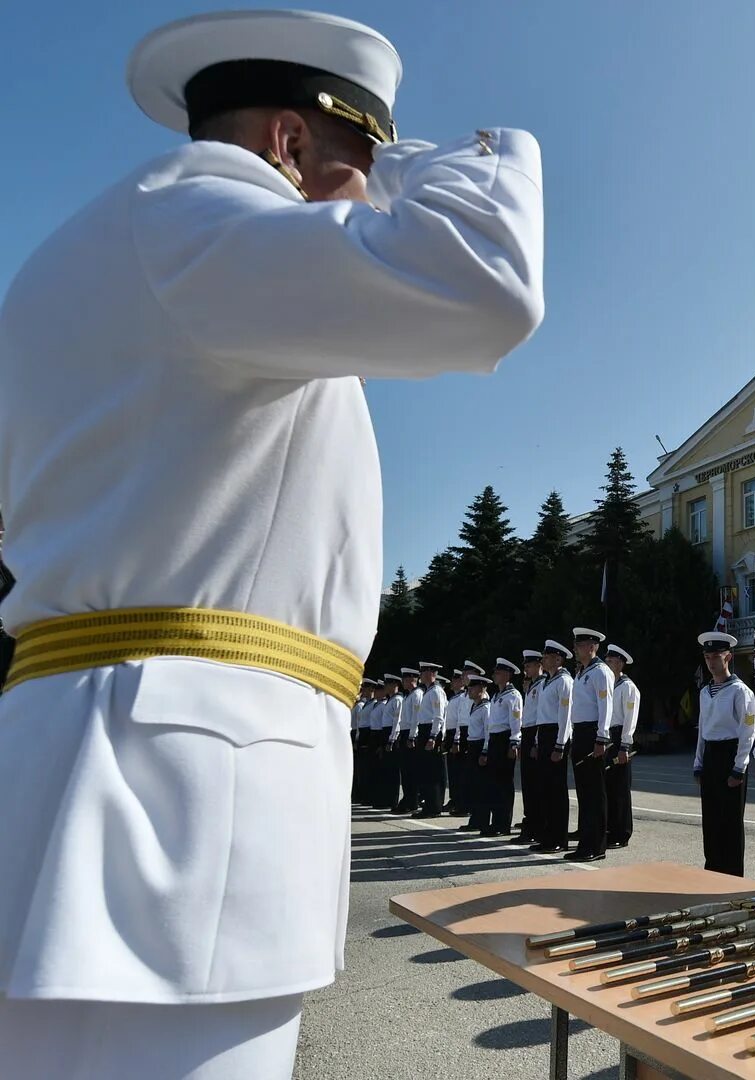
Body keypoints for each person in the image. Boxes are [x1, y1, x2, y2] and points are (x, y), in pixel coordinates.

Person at [0, 8, 544, 1073]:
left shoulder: (81, 260)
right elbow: (486, 281)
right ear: (291, 144)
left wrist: (360, 171)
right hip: (177, 793)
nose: (369, 192)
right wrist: (444, 162)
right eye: (361, 161)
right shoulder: (195, 219)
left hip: (100, 758)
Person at [694, 632, 755, 876]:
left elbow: (747, 731)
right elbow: (702, 730)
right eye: (707, 657)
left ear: (728, 657)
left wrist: (739, 767)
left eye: (716, 657)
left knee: (730, 820)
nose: (711, 662)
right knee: (711, 819)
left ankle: (732, 873)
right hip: (711, 754)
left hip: (730, 754)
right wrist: (698, 762)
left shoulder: (740, 691)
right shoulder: (705, 692)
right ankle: (713, 869)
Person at [568, 628, 615, 862]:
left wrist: (601, 738)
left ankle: (596, 846)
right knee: (584, 793)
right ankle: (585, 843)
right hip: (580, 732)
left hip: (592, 733)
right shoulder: (581, 672)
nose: (575, 649)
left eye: (580, 645)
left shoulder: (600, 672)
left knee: (595, 793)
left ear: (592, 647)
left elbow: (605, 706)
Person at [528, 640, 575, 854]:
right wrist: (538, 741)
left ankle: (558, 838)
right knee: (545, 788)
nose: (543, 660)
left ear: (558, 659)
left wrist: (560, 744)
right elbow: (541, 715)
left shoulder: (564, 681)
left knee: (556, 790)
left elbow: (565, 716)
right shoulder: (548, 680)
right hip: (545, 734)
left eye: (547, 657)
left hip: (556, 734)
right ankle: (548, 835)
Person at [604, 644, 642, 849]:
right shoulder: (610, 685)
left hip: (619, 737)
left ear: (620, 663)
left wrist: (625, 745)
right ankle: (610, 829)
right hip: (608, 736)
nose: (607, 665)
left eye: (610, 661)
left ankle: (622, 833)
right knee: (609, 787)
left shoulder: (628, 687)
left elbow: (630, 719)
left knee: (620, 789)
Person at [482, 658, 523, 837]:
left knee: (504, 783)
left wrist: (514, 742)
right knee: (494, 783)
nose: (494, 675)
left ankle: (503, 823)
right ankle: (495, 821)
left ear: (507, 675)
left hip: (505, 739)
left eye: (498, 673)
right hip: (494, 739)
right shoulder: (497, 695)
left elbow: (516, 721)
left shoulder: (512, 695)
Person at [516, 650, 546, 843]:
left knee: (536, 784)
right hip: (527, 733)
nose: (526, 669)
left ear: (539, 665)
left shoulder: (543, 684)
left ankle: (536, 824)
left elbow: (540, 715)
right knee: (527, 782)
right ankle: (530, 821)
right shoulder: (532, 686)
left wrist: (535, 741)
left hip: (536, 732)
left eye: (529, 665)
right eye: (525, 666)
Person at [413, 661, 449, 817]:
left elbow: (438, 716)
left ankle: (433, 807)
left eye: (423, 672)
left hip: (431, 732)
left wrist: (433, 736)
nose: (420, 675)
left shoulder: (436, 691)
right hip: (424, 730)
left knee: (432, 771)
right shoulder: (428, 691)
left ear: (431, 673)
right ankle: (430, 804)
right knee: (425, 771)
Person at [460, 674, 494, 833]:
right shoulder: (475, 705)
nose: (469, 691)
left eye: (472, 688)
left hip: (480, 745)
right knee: (473, 784)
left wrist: (485, 751)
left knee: (482, 786)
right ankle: (475, 818)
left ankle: (482, 819)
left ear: (481, 689)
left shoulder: (486, 707)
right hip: (472, 745)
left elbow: (488, 731)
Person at [393, 666, 423, 813]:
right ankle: (407, 798)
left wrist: (412, 736)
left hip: (411, 734)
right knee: (405, 770)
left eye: (405, 679)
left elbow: (416, 718)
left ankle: (412, 801)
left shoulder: (417, 694)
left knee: (411, 771)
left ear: (413, 679)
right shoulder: (408, 695)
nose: (403, 682)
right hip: (405, 732)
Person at [374, 673, 406, 810]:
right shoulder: (390, 700)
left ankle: (392, 800)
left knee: (392, 771)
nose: (386, 687)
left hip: (392, 736)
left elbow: (397, 721)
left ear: (395, 685)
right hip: (386, 733)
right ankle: (386, 798)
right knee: (386, 770)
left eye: (388, 684)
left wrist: (391, 740)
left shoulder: (398, 700)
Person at [443, 668, 471, 815]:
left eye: (456, 680)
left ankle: (461, 801)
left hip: (461, 733)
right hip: (453, 733)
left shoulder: (462, 697)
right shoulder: (455, 698)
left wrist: (457, 739)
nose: (453, 683)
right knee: (453, 771)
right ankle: (455, 799)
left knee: (461, 771)